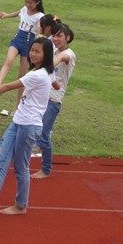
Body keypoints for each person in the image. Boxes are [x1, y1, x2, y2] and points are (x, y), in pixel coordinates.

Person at [0, 37, 54, 216]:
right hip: (18, 122)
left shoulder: (36, 75)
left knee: (21, 167)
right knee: (1, 163)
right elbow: (55, 81)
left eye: (37, 52)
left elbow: (7, 87)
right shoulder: (46, 73)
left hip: (29, 126)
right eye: (32, 50)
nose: (32, 54)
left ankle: (21, 206)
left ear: (46, 55)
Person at [31, 23, 76, 179]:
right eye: (54, 36)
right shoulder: (54, 50)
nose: (56, 39)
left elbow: (62, 58)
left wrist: (47, 67)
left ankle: (45, 169)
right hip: (42, 98)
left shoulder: (69, 54)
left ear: (67, 38)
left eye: (59, 36)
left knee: (44, 135)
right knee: (32, 129)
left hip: (53, 100)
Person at [0, 0, 45, 114]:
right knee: (9, 61)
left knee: (21, 78)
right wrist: (6, 15)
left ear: (37, 2)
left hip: (28, 45)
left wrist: (39, 36)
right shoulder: (24, 9)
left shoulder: (40, 16)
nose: (27, 4)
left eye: (30, 2)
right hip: (17, 40)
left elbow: (39, 30)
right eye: (26, 2)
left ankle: (17, 108)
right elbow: (17, 13)